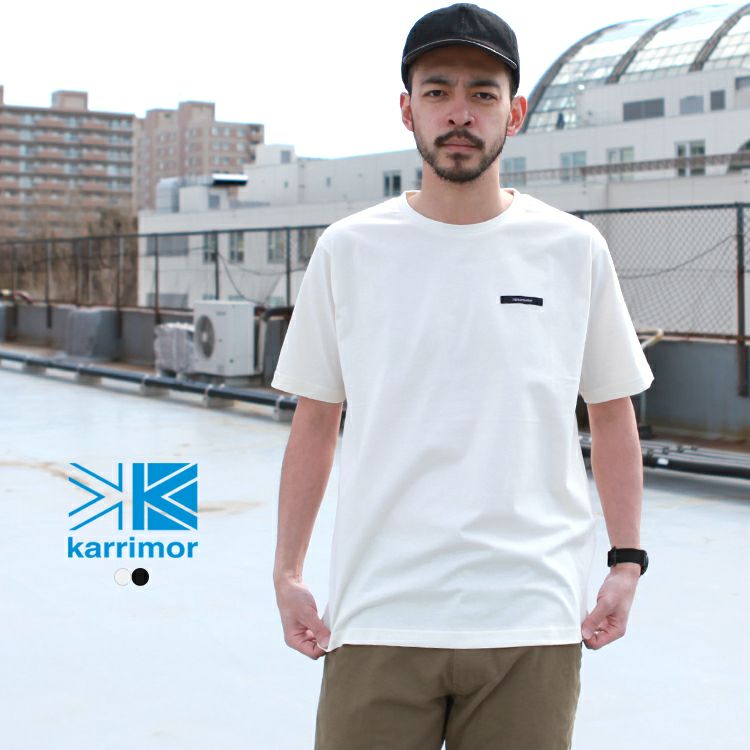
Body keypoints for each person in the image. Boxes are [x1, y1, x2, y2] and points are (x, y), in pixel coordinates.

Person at [272, 3, 654, 748]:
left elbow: (612, 411)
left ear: (514, 113)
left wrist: (627, 562)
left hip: (530, 618)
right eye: (438, 90)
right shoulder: (349, 250)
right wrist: (288, 574)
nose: (459, 112)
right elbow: (316, 419)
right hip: (380, 611)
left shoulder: (572, 249)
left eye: (482, 94)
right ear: (407, 109)